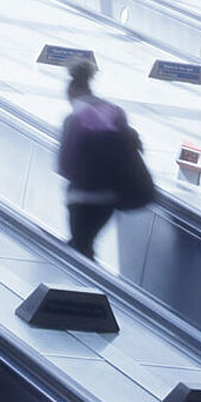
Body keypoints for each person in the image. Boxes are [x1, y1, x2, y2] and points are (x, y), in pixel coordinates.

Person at [56, 60, 154, 260]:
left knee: (80, 247)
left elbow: (66, 166)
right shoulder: (114, 111)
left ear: (72, 91)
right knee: (87, 244)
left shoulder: (75, 118)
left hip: (82, 198)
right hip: (109, 200)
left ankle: (81, 285)